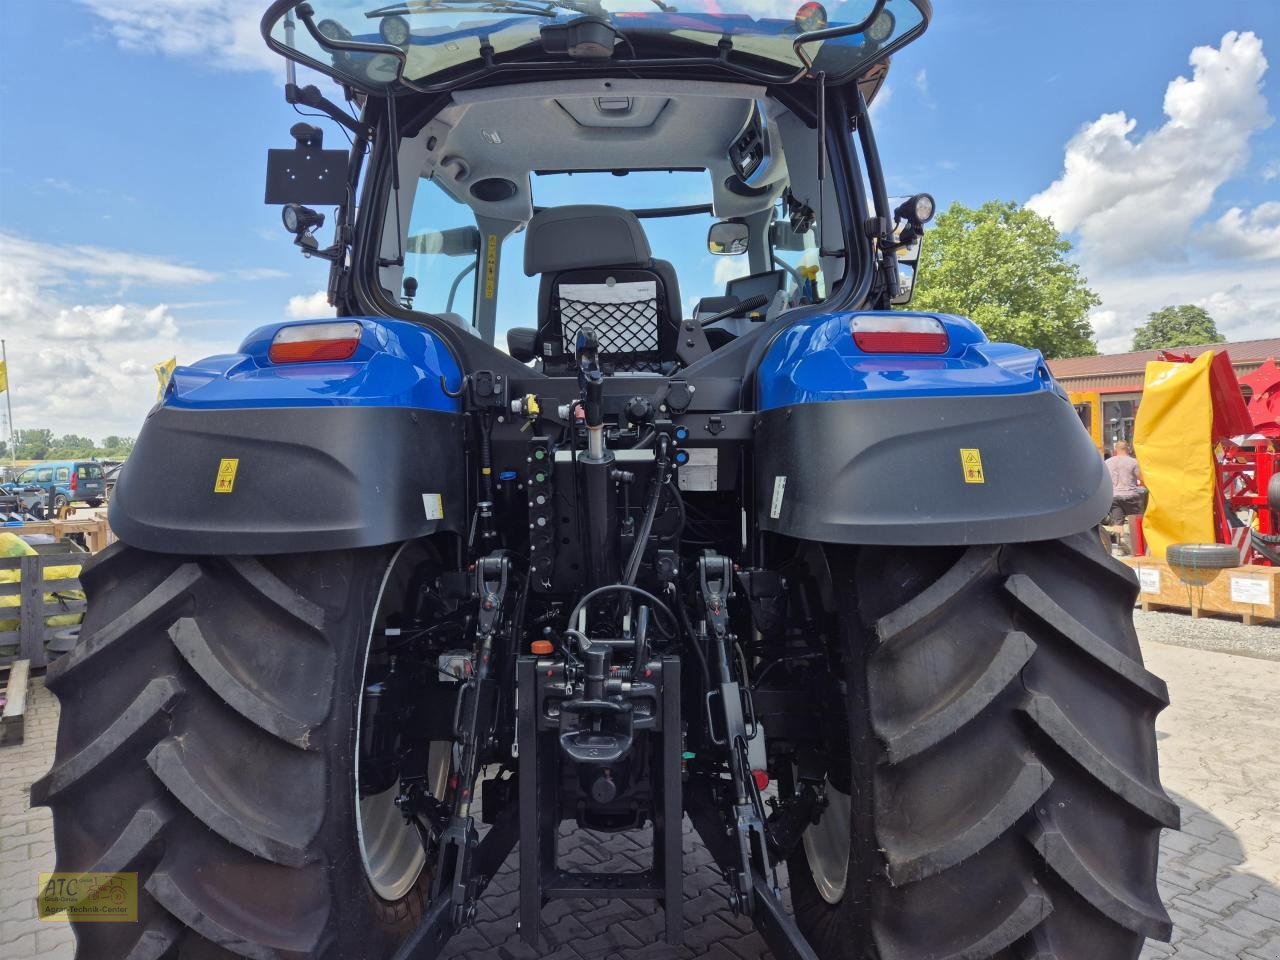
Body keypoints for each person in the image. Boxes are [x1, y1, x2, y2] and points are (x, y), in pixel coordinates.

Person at [1105, 441, 1147, 525]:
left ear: (1115, 450)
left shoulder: (1107, 462)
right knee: (1134, 524)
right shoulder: (1133, 462)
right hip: (1132, 497)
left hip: (1114, 497)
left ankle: (1119, 535)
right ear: (1128, 449)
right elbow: (1142, 479)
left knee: (1117, 524)